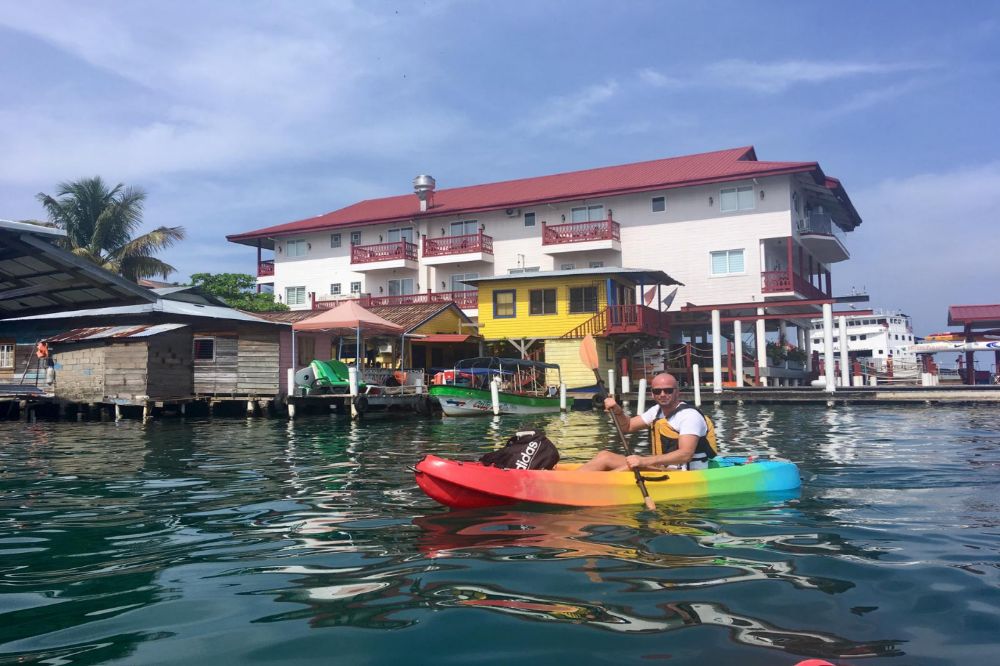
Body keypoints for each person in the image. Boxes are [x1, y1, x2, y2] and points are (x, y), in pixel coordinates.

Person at [578, 372, 717, 472]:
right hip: (664, 468)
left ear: (677, 392)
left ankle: (580, 485)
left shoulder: (689, 416)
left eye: (668, 390)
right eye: (658, 391)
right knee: (604, 455)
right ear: (652, 394)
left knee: (611, 462)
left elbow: (685, 454)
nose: (662, 394)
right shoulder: (656, 411)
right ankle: (572, 480)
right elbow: (628, 426)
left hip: (686, 474)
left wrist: (644, 460)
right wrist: (618, 410)